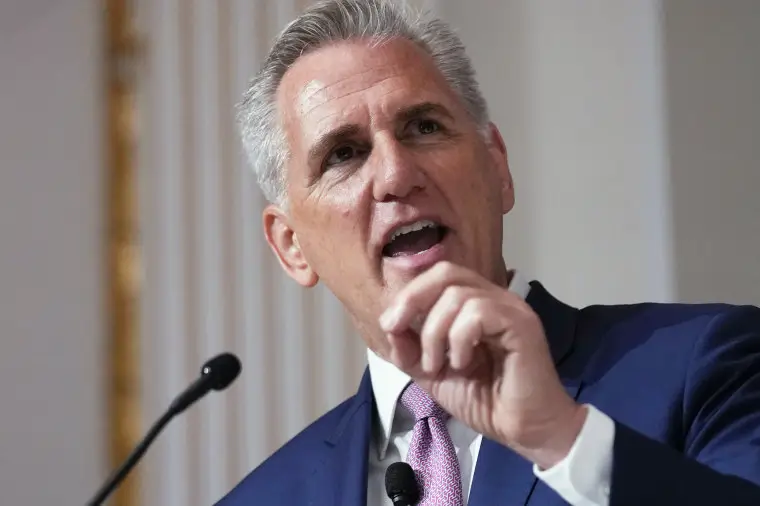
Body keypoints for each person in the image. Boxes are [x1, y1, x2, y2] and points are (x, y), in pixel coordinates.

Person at [215, 1, 760, 504]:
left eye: (424, 127)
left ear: (498, 167)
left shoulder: (706, 368)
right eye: (343, 154)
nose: (397, 175)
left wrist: (561, 439)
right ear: (292, 247)